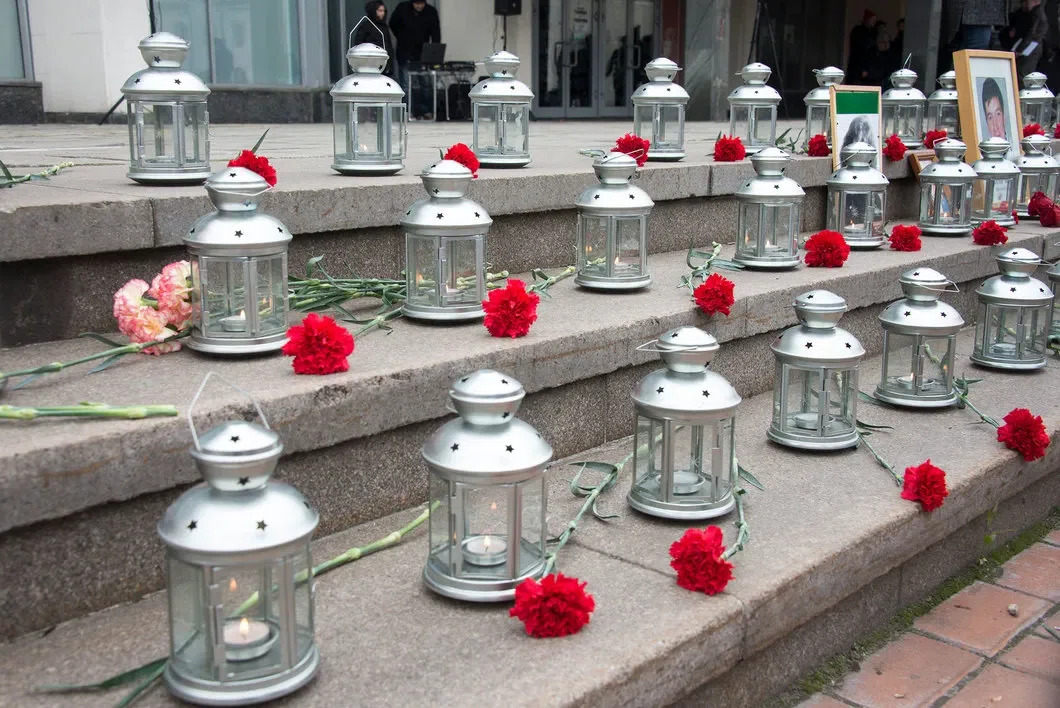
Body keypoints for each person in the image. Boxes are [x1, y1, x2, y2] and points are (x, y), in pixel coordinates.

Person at [389, 0, 441, 118]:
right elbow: (393, 24)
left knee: (426, 84)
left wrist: (434, 53)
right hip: (405, 51)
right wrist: (402, 37)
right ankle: (407, 112)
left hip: (423, 53)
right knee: (406, 85)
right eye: (417, 3)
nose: (419, 6)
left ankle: (427, 112)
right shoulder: (402, 8)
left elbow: (436, 33)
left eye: (421, 3)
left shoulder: (431, 12)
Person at [1004, 0, 1048, 75]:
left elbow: (1032, 34)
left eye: (1027, 2)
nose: (1026, 5)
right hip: (1030, 46)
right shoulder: (1034, 13)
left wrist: (1020, 50)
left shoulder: (1036, 14)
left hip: (1030, 47)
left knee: (1023, 72)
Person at [353, 2, 395, 77]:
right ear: (373, 11)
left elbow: (388, 45)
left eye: (384, 11)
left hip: (384, 62)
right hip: (370, 63)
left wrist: (390, 64)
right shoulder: (366, 26)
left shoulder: (384, 26)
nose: (383, 13)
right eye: (380, 11)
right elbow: (358, 44)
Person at [847, 10, 878, 85]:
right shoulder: (859, 31)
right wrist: (864, 68)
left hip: (868, 69)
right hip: (858, 68)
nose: (874, 22)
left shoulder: (872, 32)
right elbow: (860, 51)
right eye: (872, 19)